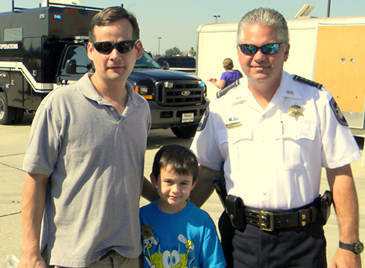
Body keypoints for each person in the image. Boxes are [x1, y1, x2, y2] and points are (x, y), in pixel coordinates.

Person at [190, 7, 362, 268]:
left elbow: (340, 172)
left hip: (302, 243)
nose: (258, 57)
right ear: (238, 52)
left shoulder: (316, 100)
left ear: (286, 51)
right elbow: (205, 171)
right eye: (249, 48)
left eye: (269, 48)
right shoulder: (220, 108)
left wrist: (350, 245)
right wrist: (174, 219)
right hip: (239, 241)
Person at [19, 6, 159, 268]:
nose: (115, 55)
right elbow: (36, 179)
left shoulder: (141, 109)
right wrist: (30, 252)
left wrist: (165, 197)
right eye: (105, 46)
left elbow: (127, 170)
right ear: (90, 50)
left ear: (137, 50)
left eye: (124, 45)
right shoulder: (60, 104)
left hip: (129, 254)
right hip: (74, 257)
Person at [139, 144, 226, 268]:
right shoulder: (141, 217)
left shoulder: (202, 221)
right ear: (154, 180)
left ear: (193, 183)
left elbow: (214, 264)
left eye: (184, 183)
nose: (176, 190)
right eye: (169, 182)